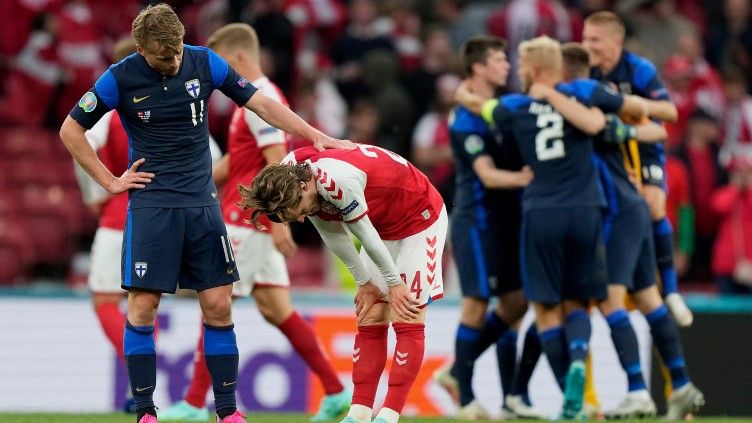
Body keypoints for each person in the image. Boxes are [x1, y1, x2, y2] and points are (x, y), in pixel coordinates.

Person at [58, 4, 352, 423]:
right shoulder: (119, 77)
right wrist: (109, 181)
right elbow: (70, 130)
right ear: (142, 49)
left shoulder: (203, 61)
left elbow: (262, 105)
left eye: (177, 50)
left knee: (219, 305)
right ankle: (146, 412)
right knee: (142, 308)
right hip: (153, 207)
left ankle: (227, 412)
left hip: (202, 205)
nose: (174, 60)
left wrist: (315, 134)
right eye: (164, 56)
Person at [158, 23, 351, 422]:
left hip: (248, 219)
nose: (218, 75)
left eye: (224, 64)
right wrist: (193, 181)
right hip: (254, 219)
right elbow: (240, 160)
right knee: (278, 309)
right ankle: (334, 392)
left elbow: (276, 157)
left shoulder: (262, 98)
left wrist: (276, 221)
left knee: (216, 301)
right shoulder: (249, 100)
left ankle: (194, 404)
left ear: (241, 58)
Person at [456, 35, 608, 420]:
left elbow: (483, 106)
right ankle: (565, 371)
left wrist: (465, 96)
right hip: (566, 211)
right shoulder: (581, 96)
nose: (512, 68)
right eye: (500, 60)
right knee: (573, 304)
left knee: (538, 307)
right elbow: (602, 121)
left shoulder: (515, 106)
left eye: (518, 63)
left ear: (535, 69)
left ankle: (517, 393)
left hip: (537, 213)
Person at [240, 144, 448, 423]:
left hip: (419, 218)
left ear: (303, 189)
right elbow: (334, 234)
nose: (302, 218)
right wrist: (364, 281)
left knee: (407, 312)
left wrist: (394, 283)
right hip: (382, 225)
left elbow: (363, 234)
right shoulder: (293, 176)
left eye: (299, 211)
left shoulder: (336, 180)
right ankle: (359, 413)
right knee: (371, 312)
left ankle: (389, 416)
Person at [558, 41, 705, 420]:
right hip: (633, 208)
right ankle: (683, 386)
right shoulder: (604, 99)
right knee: (647, 298)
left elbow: (655, 126)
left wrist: (614, 130)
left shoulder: (577, 101)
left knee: (606, 300)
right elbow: (657, 129)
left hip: (615, 212)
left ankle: (638, 391)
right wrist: (623, 131)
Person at [433, 35, 541, 420]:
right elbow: (488, 175)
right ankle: (465, 400)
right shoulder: (463, 120)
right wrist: (529, 178)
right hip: (476, 222)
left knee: (519, 302)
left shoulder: (501, 107)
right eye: (498, 59)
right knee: (476, 304)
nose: (507, 65)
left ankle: (455, 371)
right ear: (478, 67)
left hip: (509, 222)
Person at [582, 11, 694, 327]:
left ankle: (669, 289)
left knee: (655, 204)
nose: (587, 45)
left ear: (615, 41)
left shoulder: (638, 69)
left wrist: (630, 107)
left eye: (594, 40)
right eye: (585, 38)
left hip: (642, 146)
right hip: (604, 148)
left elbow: (668, 112)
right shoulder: (585, 70)